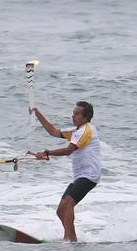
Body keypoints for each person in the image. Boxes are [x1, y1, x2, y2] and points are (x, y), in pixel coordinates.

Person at [28, 101, 101, 242]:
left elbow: (69, 150)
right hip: (80, 176)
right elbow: (53, 132)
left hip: (90, 175)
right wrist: (38, 113)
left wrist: (46, 153)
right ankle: (72, 238)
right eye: (73, 113)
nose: (73, 116)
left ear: (86, 117)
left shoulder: (86, 130)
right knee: (61, 210)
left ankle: (68, 238)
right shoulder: (76, 132)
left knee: (68, 203)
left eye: (77, 113)